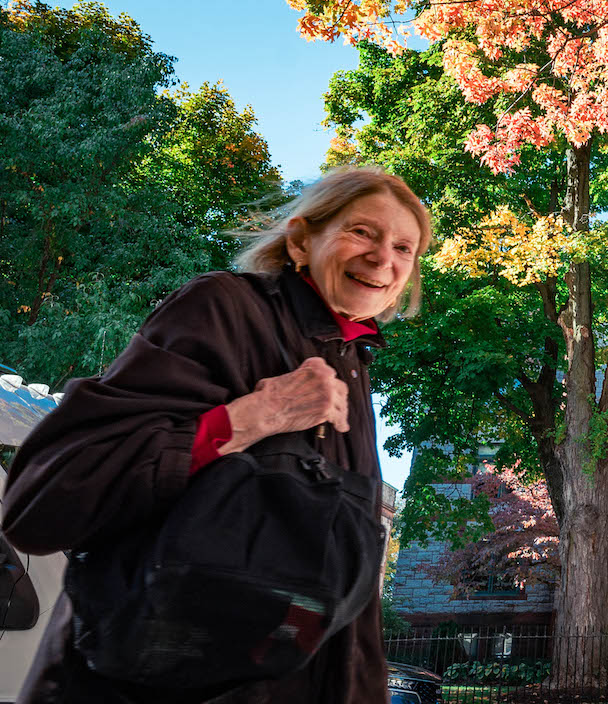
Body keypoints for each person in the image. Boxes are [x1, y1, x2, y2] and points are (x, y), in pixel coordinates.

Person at [0, 167, 432, 703]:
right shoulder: (222, 308)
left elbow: (346, 608)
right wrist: (252, 418)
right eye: (362, 232)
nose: (383, 258)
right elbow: (43, 502)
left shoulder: (351, 363)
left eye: (404, 248)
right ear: (301, 240)